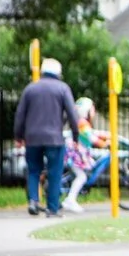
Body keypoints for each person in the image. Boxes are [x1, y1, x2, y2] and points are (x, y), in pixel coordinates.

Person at [13, 56, 80, 217]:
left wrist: (18, 136)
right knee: (54, 172)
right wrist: (76, 137)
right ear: (58, 73)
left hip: (32, 138)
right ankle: (52, 209)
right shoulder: (63, 88)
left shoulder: (30, 89)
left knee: (33, 170)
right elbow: (72, 114)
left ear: (43, 71)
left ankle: (33, 201)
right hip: (54, 139)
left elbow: (20, 115)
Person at [62, 97, 107, 214]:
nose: (94, 112)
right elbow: (90, 137)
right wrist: (103, 143)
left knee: (80, 176)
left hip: (77, 153)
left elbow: (93, 133)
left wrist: (107, 136)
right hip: (76, 154)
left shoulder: (81, 122)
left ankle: (71, 198)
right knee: (81, 177)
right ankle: (70, 200)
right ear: (85, 110)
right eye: (92, 110)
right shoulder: (82, 122)